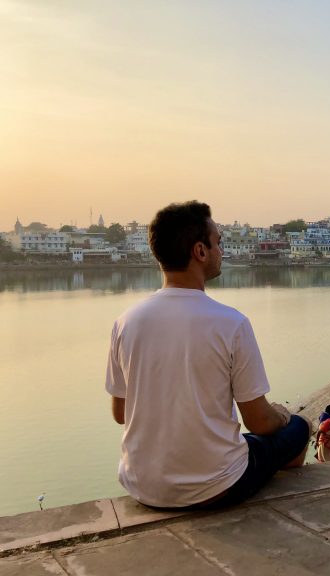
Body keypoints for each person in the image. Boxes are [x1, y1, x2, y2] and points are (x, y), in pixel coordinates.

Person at [105, 201, 310, 509]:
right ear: (200, 251)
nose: (221, 251)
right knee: (300, 427)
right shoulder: (231, 323)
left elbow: (121, 413)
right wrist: (282, 415)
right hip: (217, 486)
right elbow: (258, 422)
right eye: (218, 243)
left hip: (141, 485)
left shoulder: (125, 322)